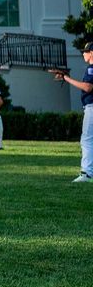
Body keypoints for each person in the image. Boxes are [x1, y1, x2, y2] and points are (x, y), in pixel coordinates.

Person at [54, 42, 93, 182]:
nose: (83, 54)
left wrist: (67, 78)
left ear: (92, 53)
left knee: (87, 140)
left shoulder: (91, 69)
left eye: (85, 51)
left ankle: (86, 173)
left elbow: (88, 87)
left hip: (92, 107)